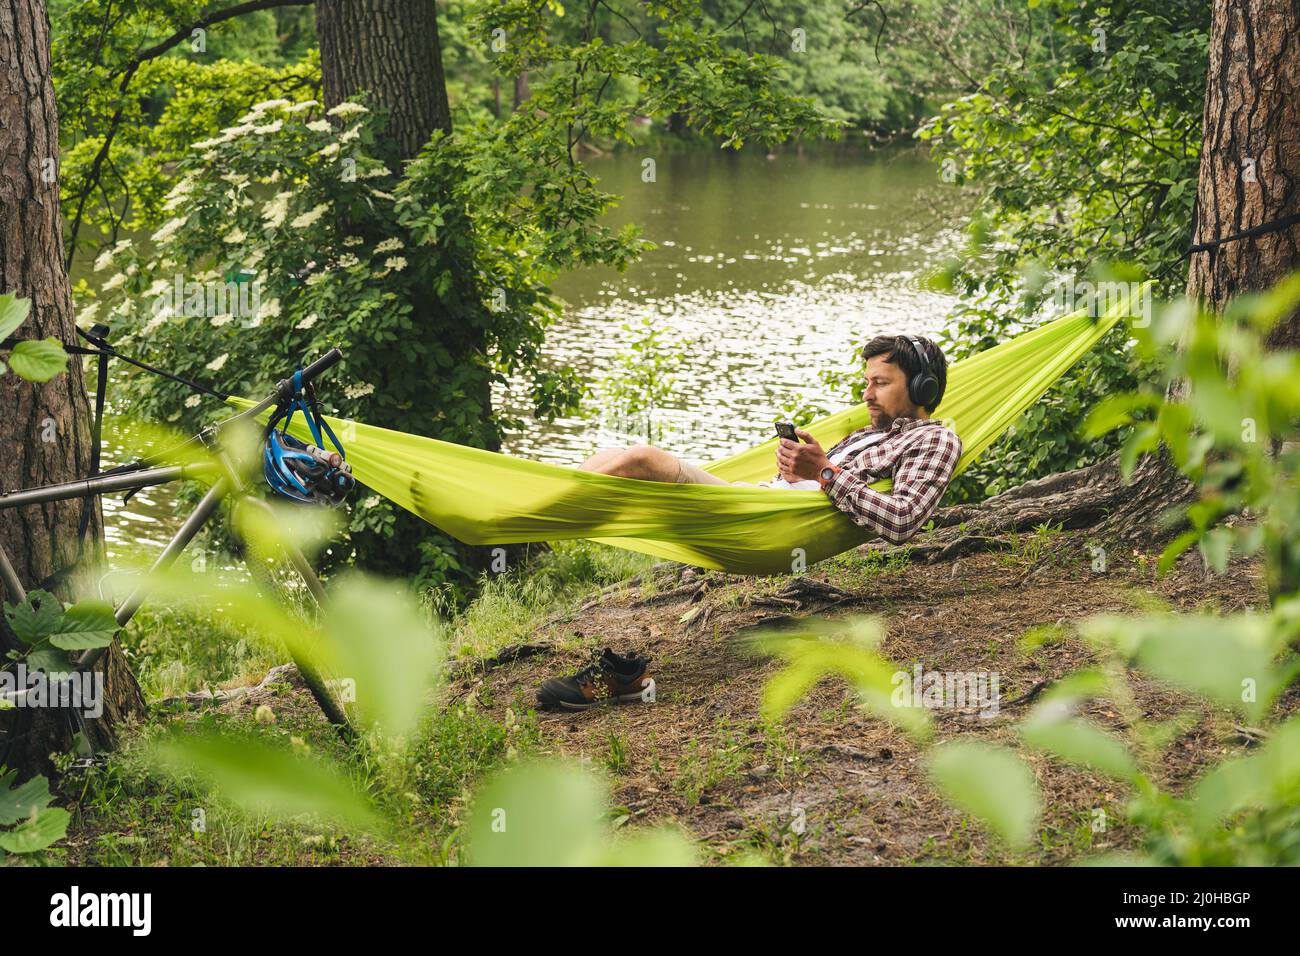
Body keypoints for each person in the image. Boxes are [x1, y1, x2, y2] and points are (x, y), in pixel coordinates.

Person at [537, 334, 963, 711]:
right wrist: (797, 472)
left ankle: (534, 516)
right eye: (867, 382)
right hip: (761, 507)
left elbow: (905, 520)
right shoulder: (864, 435)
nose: (867, 394)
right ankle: (533, 501)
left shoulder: (935, 439)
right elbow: (813, 487)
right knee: (615, 453)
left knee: (642, 460)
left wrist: (824, 472)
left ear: (922, 387)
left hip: (769, 529)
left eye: (881, 383)